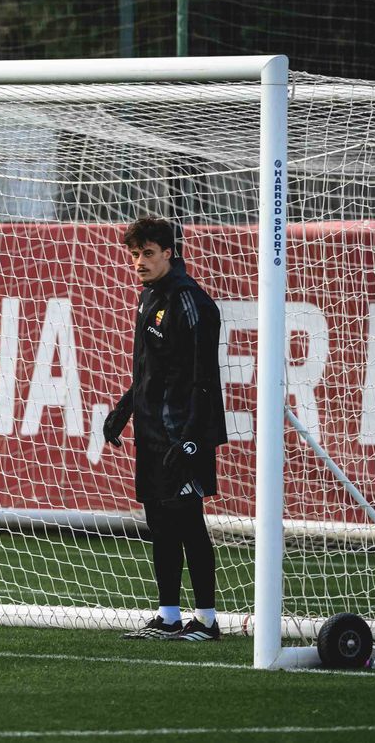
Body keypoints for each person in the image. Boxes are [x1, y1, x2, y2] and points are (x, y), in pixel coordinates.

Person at [102, 216, 228, 642]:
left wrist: (194, 436)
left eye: (148, 254)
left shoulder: (190, 301)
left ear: (168, 254)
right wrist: (124, 408)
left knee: (189, 522)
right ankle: (169, 615)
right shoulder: (148, 297)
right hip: (153, 432)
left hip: (183, 434)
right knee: (159, 521)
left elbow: (205, 378)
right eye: (134, 254)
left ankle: (207, 620)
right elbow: (151, 371)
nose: (139, 261)